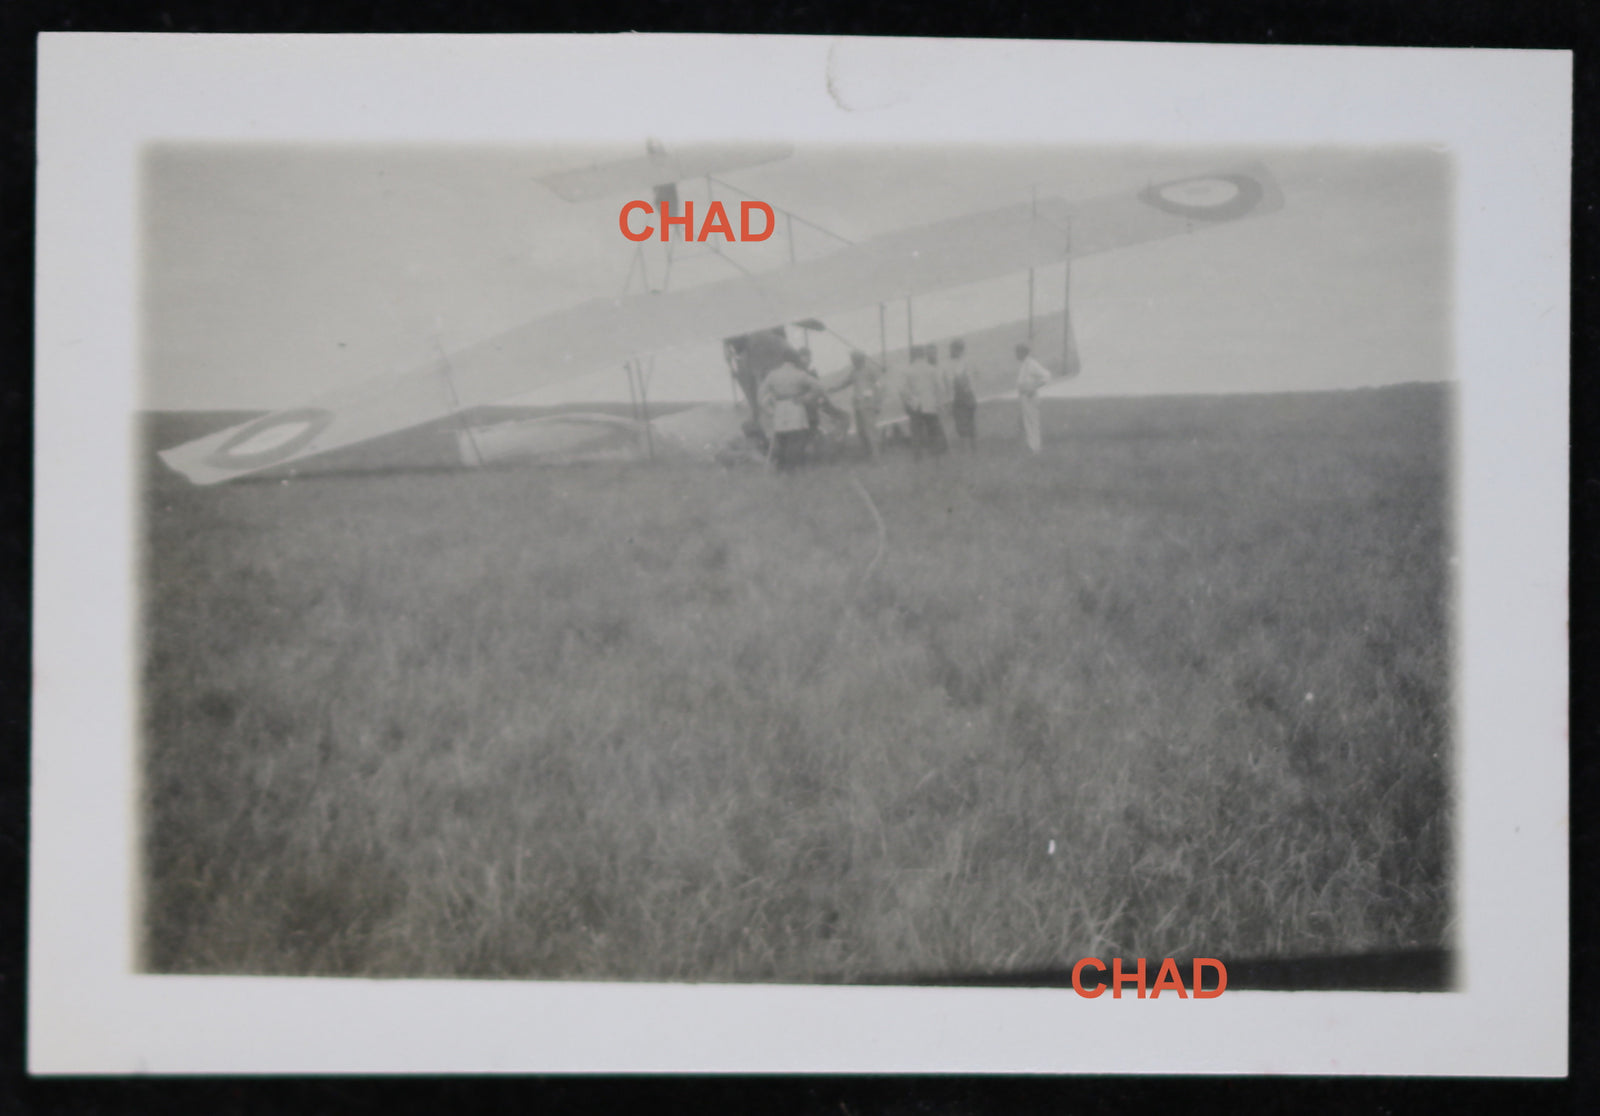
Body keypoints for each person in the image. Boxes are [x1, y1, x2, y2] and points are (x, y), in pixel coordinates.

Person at [758, 353, 827, 471]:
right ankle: (791, 468)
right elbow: (818, 386)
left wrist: (768, 409)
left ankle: (781, 467)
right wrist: (806, 398)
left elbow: (761, 393)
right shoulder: (799, 374)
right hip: (795, 406)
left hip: (779, 408)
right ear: (794, 362)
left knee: (781, 437)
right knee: (795, 438)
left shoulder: (773, 375)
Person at [900, 345, 949, 461]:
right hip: (930, 403)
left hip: (915, 404)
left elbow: (903, 390)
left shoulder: (908, 370)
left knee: (916, 432)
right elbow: (939, 387)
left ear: (913, 355)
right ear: (923, 355)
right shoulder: (931, 369)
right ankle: (936, 454)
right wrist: (940, 402)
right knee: (933, 429)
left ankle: (917, 456)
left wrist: (910, 400)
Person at [839, 350, 885, 458]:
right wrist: (832, 388)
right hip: (858, 406)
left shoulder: (870, 370)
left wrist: (878, 403)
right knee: (861, 431)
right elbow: (844, 383)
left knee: (870, 430)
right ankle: (867, 454)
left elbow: (880, 387)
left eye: (855, 359)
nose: (853, 361)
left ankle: (876, 455)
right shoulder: (854, 372)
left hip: (868, 405)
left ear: (861, 359)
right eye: (853, 359)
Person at [1015, 343, 1052, 454]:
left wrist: (1033, 387)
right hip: (1024, 397)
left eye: (1017, 352)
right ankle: (1032, 446)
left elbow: (1047, 376)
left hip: (1031, 396)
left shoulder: (1031, 364)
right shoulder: (1024, 364)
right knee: (1027, 423)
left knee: (1033, 422)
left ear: (1023, 353)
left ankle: (1036, 447)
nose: (1016, 355)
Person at [949, 338, 978, 451]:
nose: (950, 352)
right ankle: (973, 449)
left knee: (961, 424)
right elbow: (976, 375)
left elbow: (960, 379)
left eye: (952, 350)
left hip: (962, 396)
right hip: (971, 396)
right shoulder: (970, 360)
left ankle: (965, 450)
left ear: (957, 350)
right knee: (971, 423)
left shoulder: (961, 363)